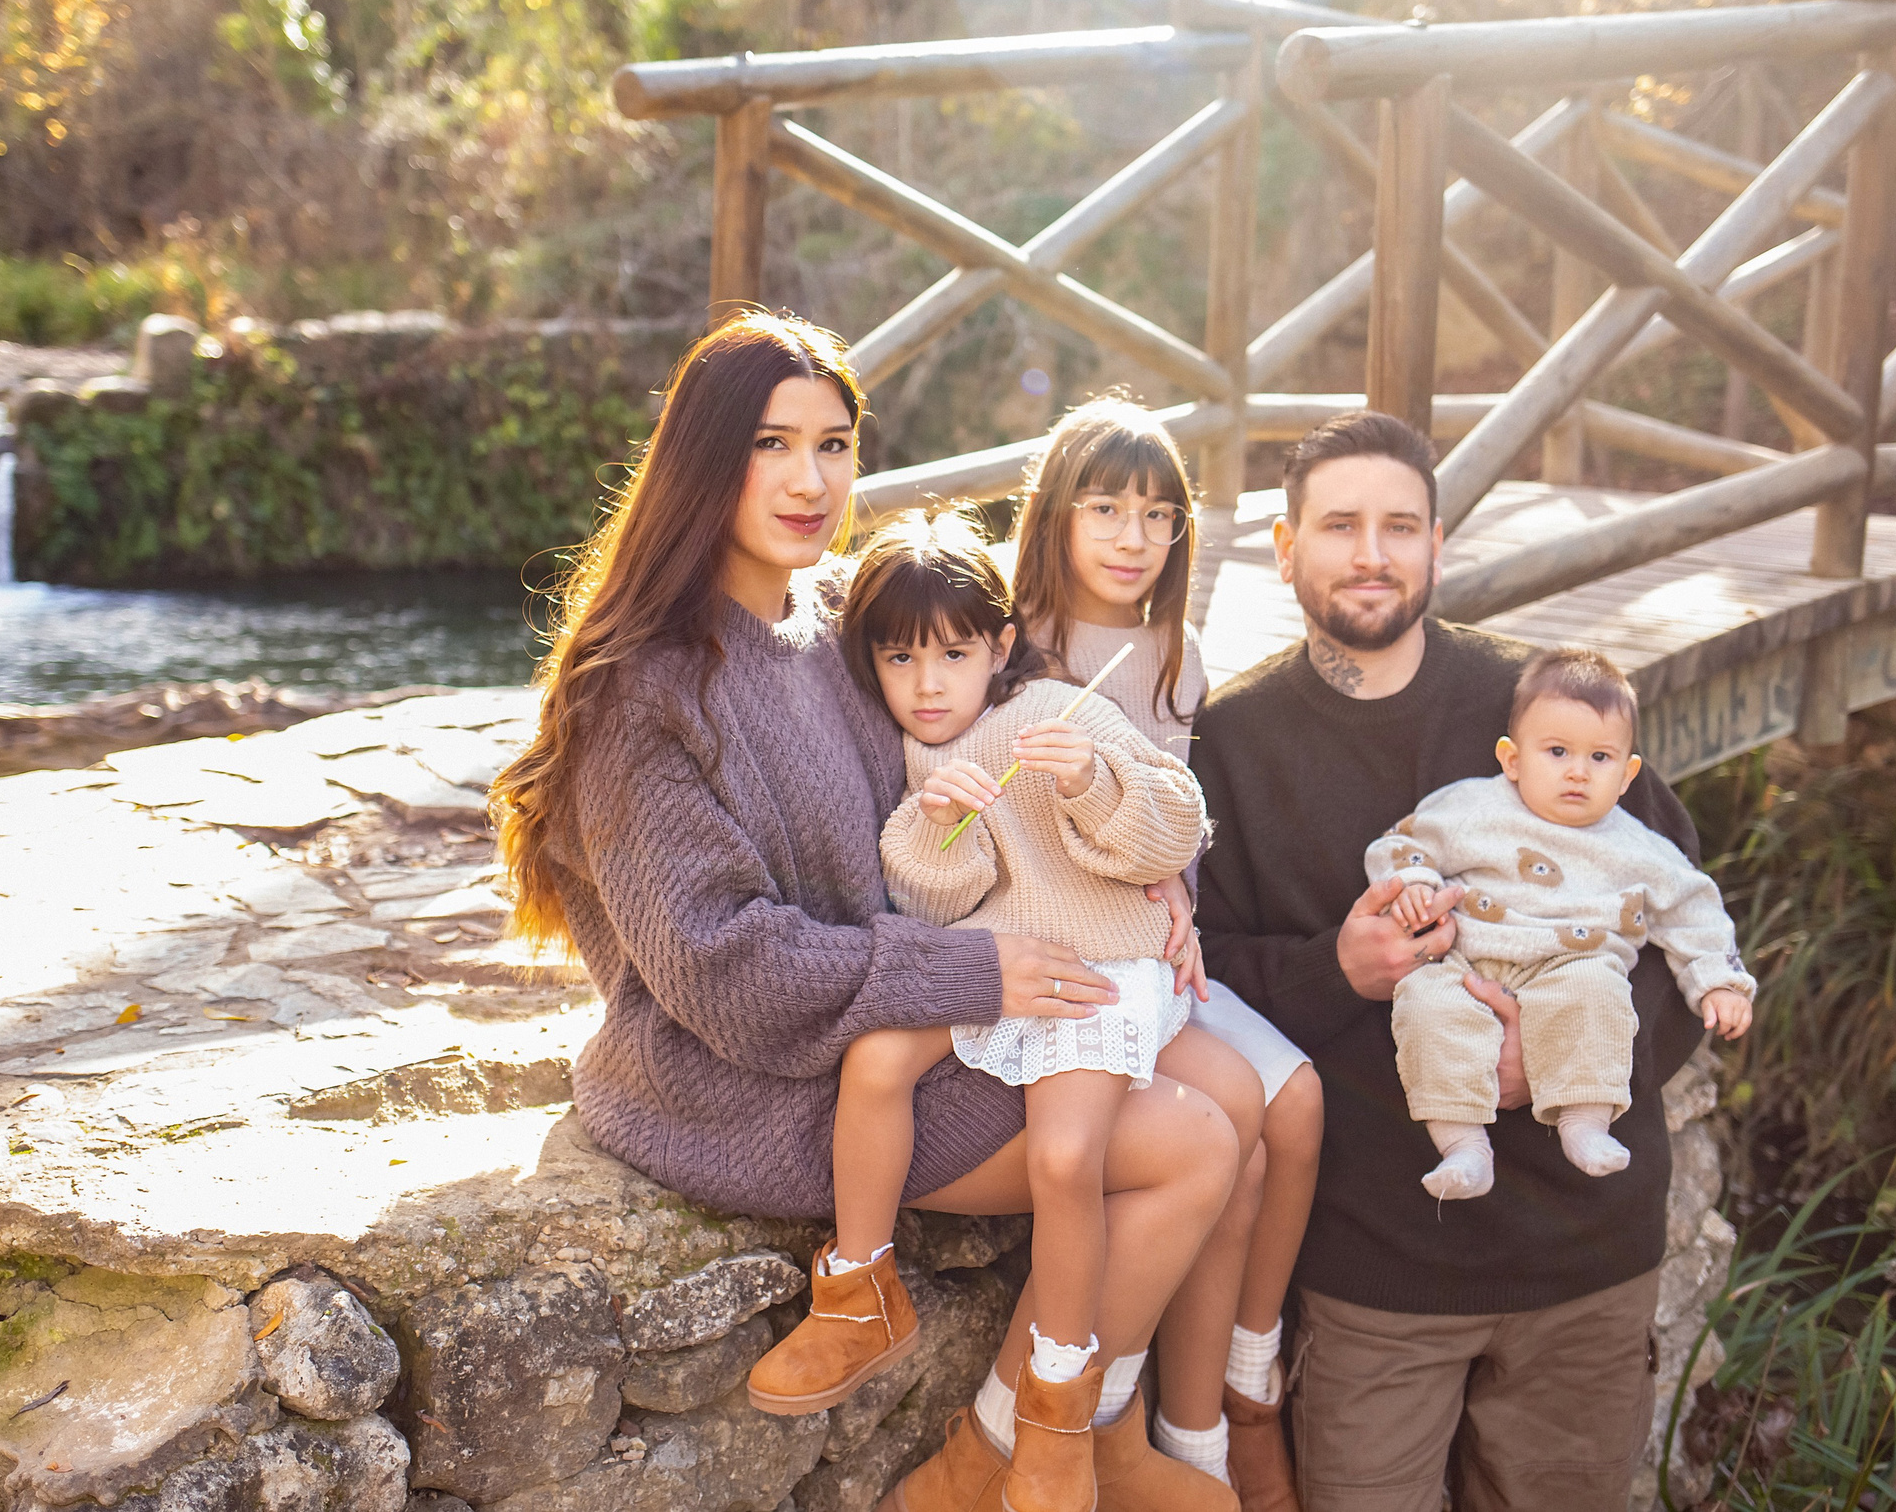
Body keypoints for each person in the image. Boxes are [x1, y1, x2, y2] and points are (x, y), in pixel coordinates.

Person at [487, 311, 1241, 1512]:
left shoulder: (839, 611)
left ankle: (1073, 1439)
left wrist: (1155, 881)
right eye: (770, 445)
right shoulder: (646, 689)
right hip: (754, 1077)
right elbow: (723, 967)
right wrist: (977, 978)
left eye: (833, 445)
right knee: (1193, 1144)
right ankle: (1011, 1448)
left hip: (876, 1020)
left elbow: (1021, 718)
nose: (808, 479)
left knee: (1241, 1099)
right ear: (700, 460)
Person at [1190, 410, 1710, 1512]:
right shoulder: (1231, 745)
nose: (1370, 553)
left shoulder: (1539, 708)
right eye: (1338, 526)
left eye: (1399, 526)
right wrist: (1340, 968)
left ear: (1437, 546)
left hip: (1582, 1254)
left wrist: (1570, 1072)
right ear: (1284, 551)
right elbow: (1199, 973)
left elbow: (1685, 919)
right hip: (1376, 1268)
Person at [749, 511, 1209, 1512]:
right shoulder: (916, 756)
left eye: (953, 655)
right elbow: (930, 907)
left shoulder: (1055, 708)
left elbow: (1175, 823)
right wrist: (936, 824)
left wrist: (1092, 781)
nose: (925, 685)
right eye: (899, 657)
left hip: (1092, 972)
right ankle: (859, 1287)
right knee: (875, 1059)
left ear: (997, 648)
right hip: (991, 971)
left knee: (1062, 1160)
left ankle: (1054, 1405)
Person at [1011, 397, 1321, 1510]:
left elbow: (1171, 817)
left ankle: (1241, 1391)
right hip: (1072, 958)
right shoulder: (1012, 648)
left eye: (1157, 514)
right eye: (1105, 506)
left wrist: (1177, 901)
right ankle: (1139, 1421)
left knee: (1298, 1103)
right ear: (1054, 512)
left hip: (1158, 947)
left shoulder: (1174, 653)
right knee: (1233, 1127)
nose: (1133, 535)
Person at [1367, 646, 1756, 1201]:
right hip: (1465, 959)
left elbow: (1694, 910)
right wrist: (1414, 884)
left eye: (1600, 758)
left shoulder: (1640, 849)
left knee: (1598, 998)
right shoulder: (1471, 808)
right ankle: (1463, 1147)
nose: (1577, 771)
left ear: (1627, 775)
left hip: (1572, 961)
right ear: (1513, 759)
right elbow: (1403, 843)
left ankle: (1586, 1123)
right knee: (1427, 1008)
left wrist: (1719, 980)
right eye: (1556, 751)